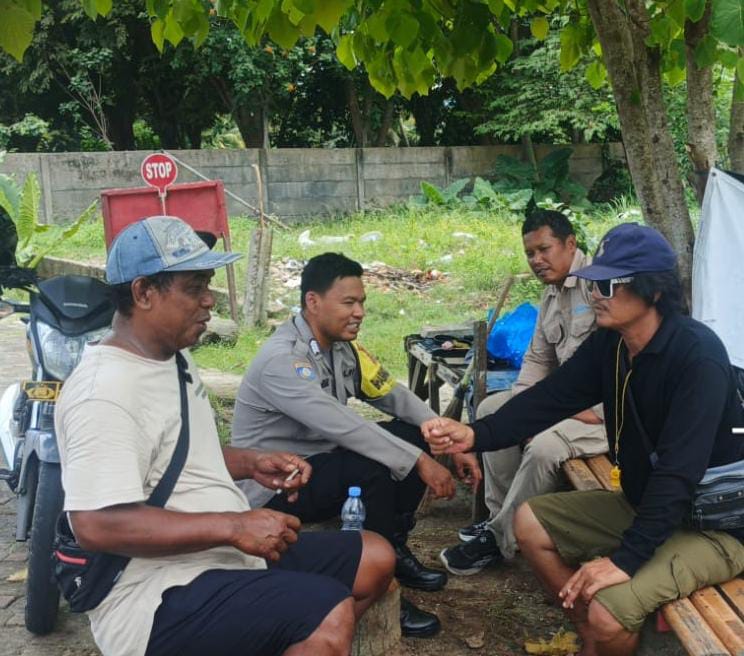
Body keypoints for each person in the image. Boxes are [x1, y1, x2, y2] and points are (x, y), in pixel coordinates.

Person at [55, 216, 396, 656]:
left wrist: (250, 462)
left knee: (375, 558)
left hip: (221, 554)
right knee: (326, 613)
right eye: (194, 288)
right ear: (143, 293)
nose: (209, 300)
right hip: (154, 590)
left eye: (208, 284)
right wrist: (234, 526)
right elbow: (95, 524)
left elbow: (170, 453)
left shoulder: (171, 357)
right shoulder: (104, 391)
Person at [423, 223, 744, 656]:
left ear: (653, 291)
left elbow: (677, 472)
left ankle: (603, 629)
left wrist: (625, 560)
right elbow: (551, 398)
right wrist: (475, 433)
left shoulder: (697, 356)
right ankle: (589, 633)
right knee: (529, 523)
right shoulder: (612, 344)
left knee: (610, 612)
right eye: (594, 283)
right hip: (645, 502)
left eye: (608, 285)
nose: (595, 295)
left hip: (713, 527)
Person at [231, 251, 482, 638]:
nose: (360, 312)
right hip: (276, 485)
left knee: (412, 433)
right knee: (370, 468)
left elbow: (391, 393)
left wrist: (445, 437)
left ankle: (393, 548)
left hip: (321, 465)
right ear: (313, 302)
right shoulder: (283, 360)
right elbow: (344, 427)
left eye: (362, 301)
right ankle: (380, 581)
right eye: (348, 302)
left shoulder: (342, 348)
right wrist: (420, 461)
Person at [440, 210, 607, 576]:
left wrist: (547, 414)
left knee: (545, 446)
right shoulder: (551, 294)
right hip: (567, 403)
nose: (536, 260)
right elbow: (537, 358)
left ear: (570, 244)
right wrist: (524, 406)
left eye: (544, 249)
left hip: (605, 415)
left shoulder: (599, 287)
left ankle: (501, 538)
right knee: (492, 410)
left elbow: (611, 374)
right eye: (530, 253)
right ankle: (499, 518)